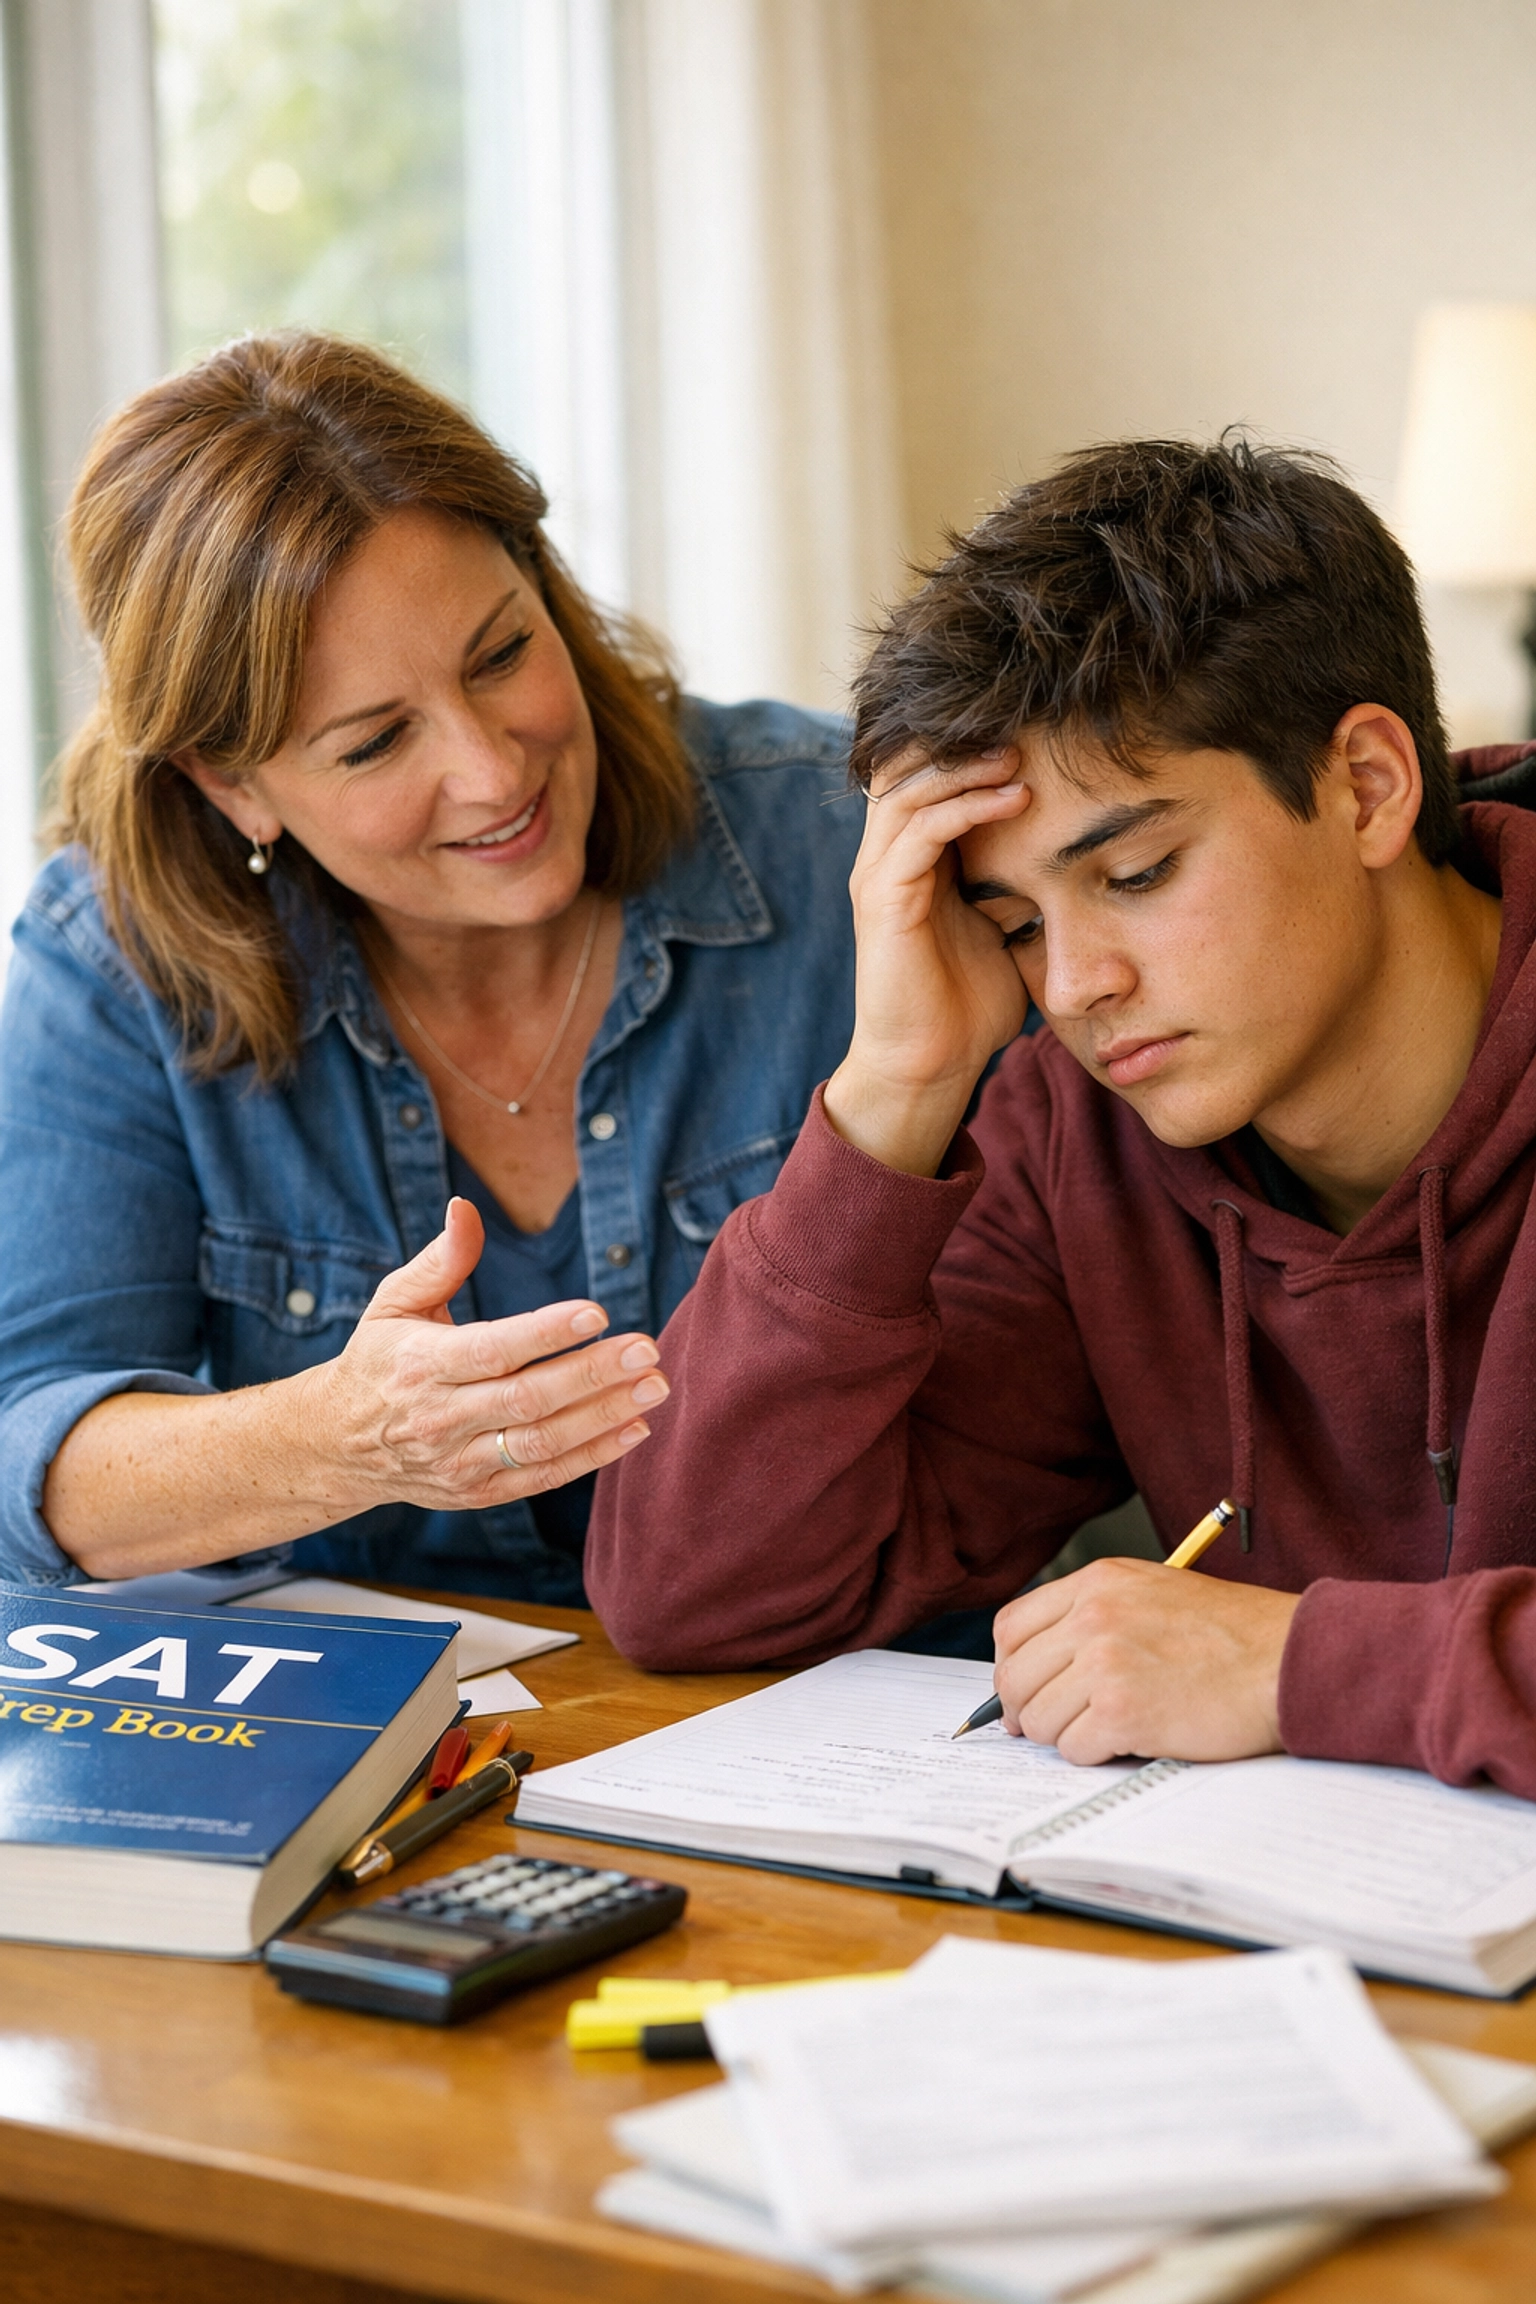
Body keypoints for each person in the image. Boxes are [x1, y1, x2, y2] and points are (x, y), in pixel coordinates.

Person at [587, 435, 1536, 1799]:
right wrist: (897, 1087)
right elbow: (689, 1595)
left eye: (1136, 873)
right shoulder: (1081, 1132)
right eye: (1017, 923)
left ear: (1368, 786)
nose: (1077, 986)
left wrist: (1296, 1664)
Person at [0, 330, 860, 1601]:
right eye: (374, 742)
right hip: (400, 1716)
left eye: (501, 655)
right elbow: (32, 1454)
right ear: (233, 786)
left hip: (876, 1691)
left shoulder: (841, 841)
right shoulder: (117, 962)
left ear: (543, 583)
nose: (493, 772)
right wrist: (340, 1442)